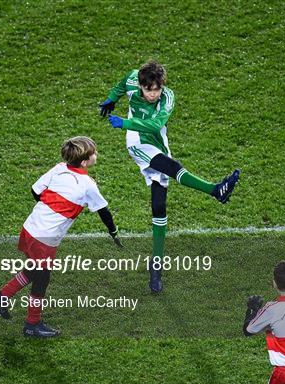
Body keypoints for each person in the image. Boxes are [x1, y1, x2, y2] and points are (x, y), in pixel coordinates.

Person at [99, 60, 240, 293]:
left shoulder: (168, 97)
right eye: (148, 90)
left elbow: (155, 125)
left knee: (159, 207)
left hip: (156, 140)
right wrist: (112, 98)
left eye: (157, 89)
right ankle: (215, 190)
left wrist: (124, 122)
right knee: (172, 168)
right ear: (142, 85)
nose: (153, 94)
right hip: (137, 142)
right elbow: (123, 83)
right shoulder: (134, 79)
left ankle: (156, 267)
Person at [0, 136, 122, 337]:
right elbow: (104, 213)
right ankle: (32, 324)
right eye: (94, 152)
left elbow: (35, 191)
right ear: (85, 161)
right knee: (42, 278)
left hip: (31, 227)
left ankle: (1, 297)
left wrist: (51, 208)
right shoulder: (87, 185)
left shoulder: (59, 167)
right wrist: (113, 233)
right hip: (46, 237)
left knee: (34, 269)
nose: (96, 154)